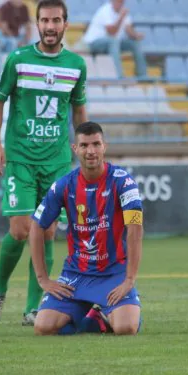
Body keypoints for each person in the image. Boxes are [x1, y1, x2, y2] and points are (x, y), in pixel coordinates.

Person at [0, 0, 89, 326]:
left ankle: (33, 307)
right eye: (45, 20)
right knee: (20, 229)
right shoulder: (18, 60)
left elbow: (79, 110)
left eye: (56, 20)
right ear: (38, 23)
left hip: (57, 161)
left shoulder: (76, 65)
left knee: (46, 233)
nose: (50, 26)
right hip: (21, 159)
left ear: (65, 24)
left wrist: (83, 148)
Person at [30, 121, 143, 336]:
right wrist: (43, 279)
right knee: (43, 328)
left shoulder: (124, 182)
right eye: (84, 145)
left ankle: (111, 314)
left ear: (104, 146)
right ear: (75, 149)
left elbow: (135, 228)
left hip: (113, 273)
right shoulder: (63, 185)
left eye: (96, 144)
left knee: (125, 328)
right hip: (76, 275)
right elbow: (36, 226)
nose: (90, 151)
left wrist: (129, 279)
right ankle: (93, 318)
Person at [82, 0, 147, 79]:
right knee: (113, 41)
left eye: (121, 2)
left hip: (112, 43)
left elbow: (129, 30)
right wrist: (121, 17)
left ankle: (142, 76)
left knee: (134, 43)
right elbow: (112, 32)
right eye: (118, 1)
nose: (120, 3)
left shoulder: (123, 11)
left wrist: (136, 35)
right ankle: (118, 75)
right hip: (94, 43)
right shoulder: (105, 10)